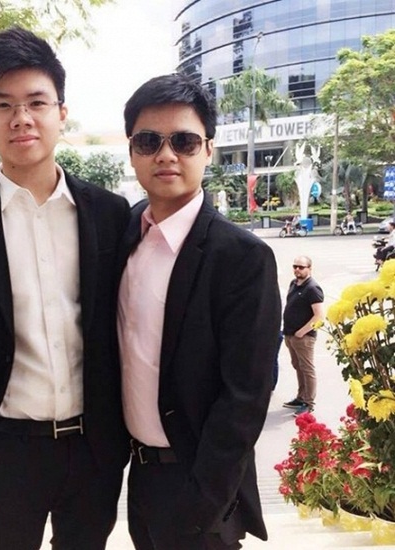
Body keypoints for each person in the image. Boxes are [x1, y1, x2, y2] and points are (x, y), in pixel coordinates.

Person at [0, 27, 131, 550]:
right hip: (1, 453)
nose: (21, 118)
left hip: (93, 451)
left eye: (36, 102)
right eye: (3, 104)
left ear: (61, 111)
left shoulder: (109, 213)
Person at [117, 74, 281, 550]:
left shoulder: (242, 257)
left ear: (208, 149)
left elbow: (246, 394)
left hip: (199, 490)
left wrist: (204, 505)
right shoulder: (123, 232)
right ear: (132, 151)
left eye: (184, 142)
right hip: (139, 480)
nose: (166, 155)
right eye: (149, 141)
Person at [282, 256, 324, 417]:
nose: (297, 270)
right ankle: (301, 397)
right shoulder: (294, 283)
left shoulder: (313, 288)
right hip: (290, 334)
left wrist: (302, 331)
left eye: (301, 267)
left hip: (303, 337)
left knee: (307, 369)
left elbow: (319, 316)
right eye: (295, 266)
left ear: (309, 268)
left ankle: (308, 403)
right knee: (297, 366)